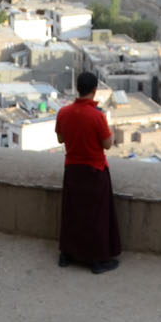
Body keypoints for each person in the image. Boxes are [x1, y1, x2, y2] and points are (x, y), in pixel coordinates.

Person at [54, 71, 121, 274]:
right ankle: (98, 260)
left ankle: (67, 254)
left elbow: (60, 140)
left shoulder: (63, 113)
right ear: (94, 91)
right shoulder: (97, 116)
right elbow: (107, 145)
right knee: (96, 216)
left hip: (72, 169)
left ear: (77, 88)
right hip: (95, 171)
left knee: (72, 213)